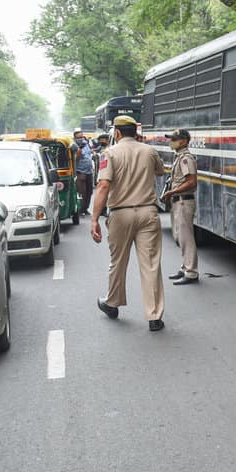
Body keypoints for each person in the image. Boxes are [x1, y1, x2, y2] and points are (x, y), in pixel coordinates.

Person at [92, 115, 168, 331]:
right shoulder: (149, 151)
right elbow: (160, 171)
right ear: (136, 132)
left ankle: (112, 303)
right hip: (148, 212)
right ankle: (154, 317)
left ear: (116, 133)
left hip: (121, 213)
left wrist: (95, 218)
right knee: (151, 264)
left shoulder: (110, 153)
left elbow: (104, 186)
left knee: (118, 261)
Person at [163, 128, 199, 286]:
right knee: (180, 237)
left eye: (174, 139)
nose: (171, 141)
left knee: (186, 237)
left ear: (183, 141)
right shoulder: (179, 157)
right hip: (178, 201)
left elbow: (191, 181)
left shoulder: (186, 159)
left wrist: (172, 191)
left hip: (184, 201)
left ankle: (191, 272)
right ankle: (185, 267)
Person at [73, 128, 95, 214]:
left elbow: (90, 153)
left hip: (89, 171)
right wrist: (79, 151)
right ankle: (81, 209)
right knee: (82, 192)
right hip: (80, 171)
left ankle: (86, 209)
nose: (81, 139)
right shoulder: (74, 146)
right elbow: (74, 160)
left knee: (89, 191)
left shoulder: (86, 144)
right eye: (78, 137)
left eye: (82, 136)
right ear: (75, 138)